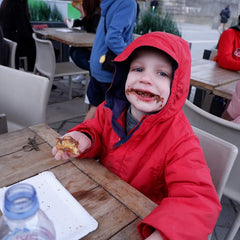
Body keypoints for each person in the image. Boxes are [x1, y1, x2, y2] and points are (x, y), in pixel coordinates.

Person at [52, 32, 221, 240]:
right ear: (124, 75)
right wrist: (84, 137)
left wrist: (164, 233)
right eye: (138, 69)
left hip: (142, 219)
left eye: (162, 74)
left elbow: (198, 201)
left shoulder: (180, 140)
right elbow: (95, 128)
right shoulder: (110, 109)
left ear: (176, 86)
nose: (146, 78)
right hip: (101, 198)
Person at [85, 0, 137, 119]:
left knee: (95, 108)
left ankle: (77, 137)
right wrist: (132, 57)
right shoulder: (128, 3)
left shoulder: (111, 2)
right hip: (110, 68)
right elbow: (113, 38)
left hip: (98, 63)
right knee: (114, 116)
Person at [0, 0, 36, 72]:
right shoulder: (17, 5)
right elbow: (24, 32)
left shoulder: (5, 3)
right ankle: (39, 75)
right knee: (41, 49)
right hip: (17, 45)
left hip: (10, 43)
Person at [65, 0, 100, 71]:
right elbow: (82, 22)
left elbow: (90, 27)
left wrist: (82, 12)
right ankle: (85, 72)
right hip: (88, 45)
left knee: (77, 55)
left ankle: (93, 72)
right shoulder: (92, 13)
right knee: (72, 50)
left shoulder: (97, 15)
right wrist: (71, 23)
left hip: (95, 47)